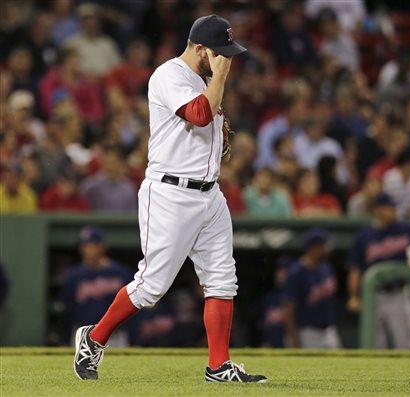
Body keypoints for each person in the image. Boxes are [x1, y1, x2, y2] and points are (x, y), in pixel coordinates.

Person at [73, 15, 267, 383]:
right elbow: (197, 114)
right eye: (219, 53)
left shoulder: (204, 79)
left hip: (210, 194)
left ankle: (218, 366)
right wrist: (220, 79)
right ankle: (93, 338)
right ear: (198, 48)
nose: (225, 60)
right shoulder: (169, 74)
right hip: (171, 194)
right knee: (150, 288)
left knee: (223, 280)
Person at [347, 193, 410, 349]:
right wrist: (354, 296)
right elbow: (355, 269)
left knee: (405, 344)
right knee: (374, 345)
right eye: (388, 208)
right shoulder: (364, 236)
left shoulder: (408, 229)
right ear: (377, 210)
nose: (392, 211)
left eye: (393, 208)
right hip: (373, 295)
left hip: (399, 292)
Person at [60, 227, 132, 347]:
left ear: (102, 246)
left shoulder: (121, 273)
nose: (88, 250)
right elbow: (67, 310)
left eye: (92, 245)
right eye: (85, 246)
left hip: (115, 336)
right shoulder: (74, 276)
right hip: (83, 335)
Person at [281, 229, 341, 349]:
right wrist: (294, 339)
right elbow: (288, 309)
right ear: (314, 248)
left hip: (329, 329)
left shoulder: (326, 268)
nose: (328, 249)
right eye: (324, 245)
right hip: (307, 331)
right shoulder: (296, 273)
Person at [80, 146, 137, 212]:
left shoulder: (128, 188)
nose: (110, 166)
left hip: (121, 221)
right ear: (102, 163)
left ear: (120, 164)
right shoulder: (91, 185)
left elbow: (132, 213)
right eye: (108, 162)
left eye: (114, 162)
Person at [383, 146, 410, 219]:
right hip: (389, 221)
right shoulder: (389, 177)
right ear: (408, 162)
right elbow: (384, 205)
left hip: (406, 224)